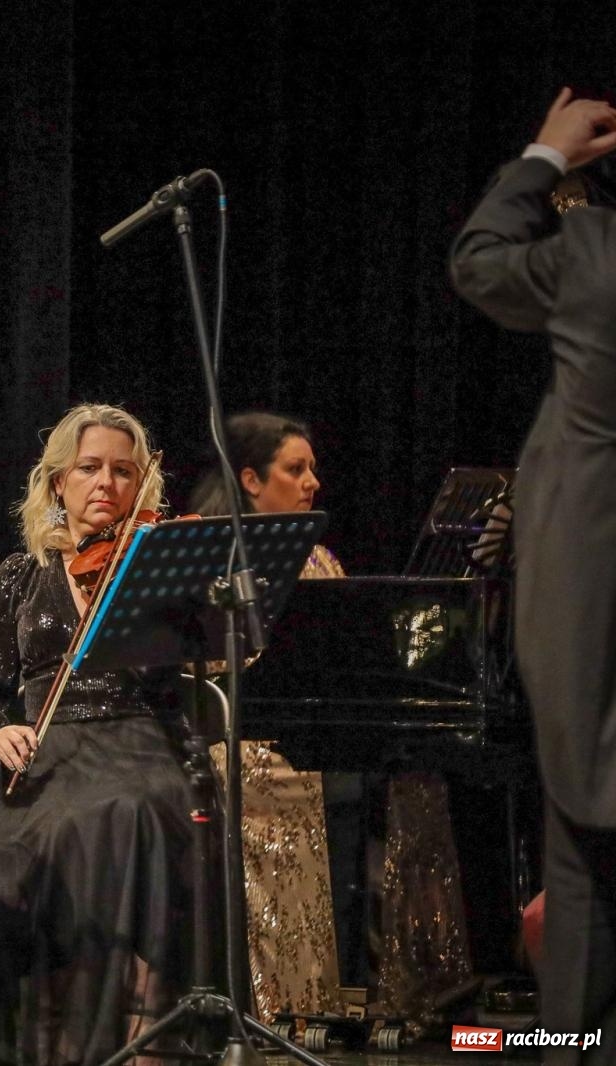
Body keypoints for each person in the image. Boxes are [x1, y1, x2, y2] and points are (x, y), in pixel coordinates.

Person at [0, 402, 195, 1066]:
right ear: (58, 483)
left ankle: (146, 1029)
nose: (106, 483)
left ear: (143, 486)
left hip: (145, 741)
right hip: (52, 754)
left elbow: (206, 663)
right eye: (89, 468)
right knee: (49, 831)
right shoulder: (21, 577)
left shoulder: (161, 567)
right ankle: (57, 1039)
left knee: (128, 809)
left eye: (122, 470)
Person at [192, 413, 473, 1019]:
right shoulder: (212, 556)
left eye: (313, 468)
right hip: (243, 737)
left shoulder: (319, 558)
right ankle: (286, 1000)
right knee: (277, 779)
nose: (312, 481)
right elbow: (207, 676)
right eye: (296, 469)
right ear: (249, 479)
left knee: (416, 779)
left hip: (315, 732)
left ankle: (408, 990)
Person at [451, 88, 616, 1065]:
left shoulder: (594, 255)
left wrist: (546, 158)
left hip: (587, 602)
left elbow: (477, 260)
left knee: (584, 836)